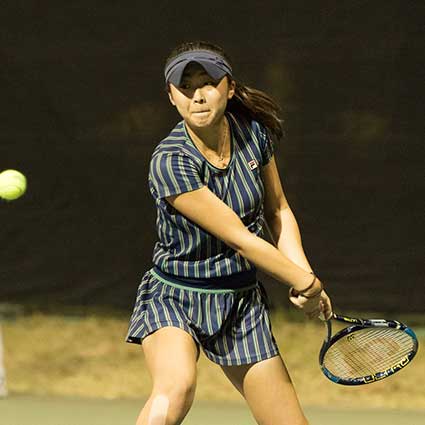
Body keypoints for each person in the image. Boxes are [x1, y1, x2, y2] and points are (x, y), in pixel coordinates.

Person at [126, 40, 333, 425]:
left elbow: (277, 210)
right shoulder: (170, 160)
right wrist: (306, 282)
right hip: (175, 297)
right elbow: (240, 238)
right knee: (176, 388)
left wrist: (304, 277)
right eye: (185, 87)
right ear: (171, 97)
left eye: (207, 83)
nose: (197, 96)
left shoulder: (253, 134)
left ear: (230, 87)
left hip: (240, 303)